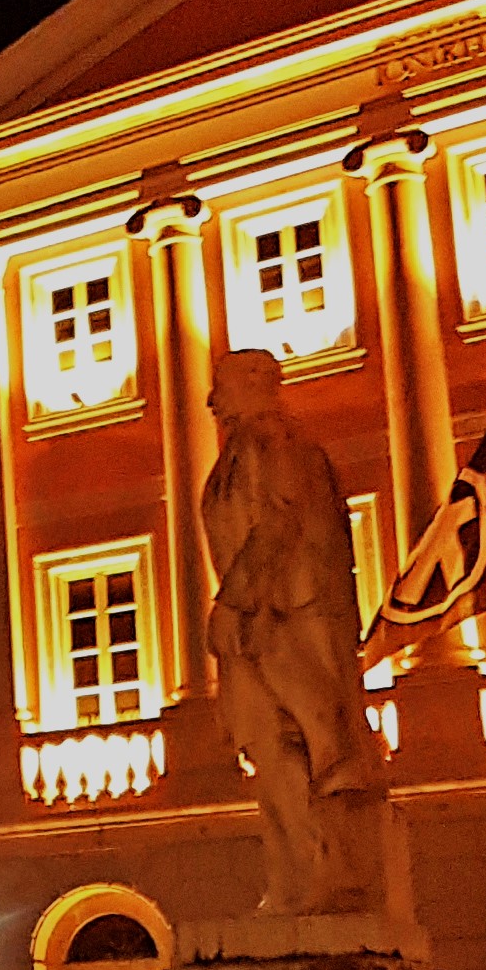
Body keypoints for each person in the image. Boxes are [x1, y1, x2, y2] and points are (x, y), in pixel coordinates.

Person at [200, 347, 386, 912]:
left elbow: (281, 522)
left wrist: (233, 601)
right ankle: (295, 880)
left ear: (255, 383)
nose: (211, 400)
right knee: (269, 748)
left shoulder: (280, 443)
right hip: (261, 627)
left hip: (292, 618)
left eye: (221, 385)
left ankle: (330, 875)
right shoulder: (238, 452)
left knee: (316, 747)